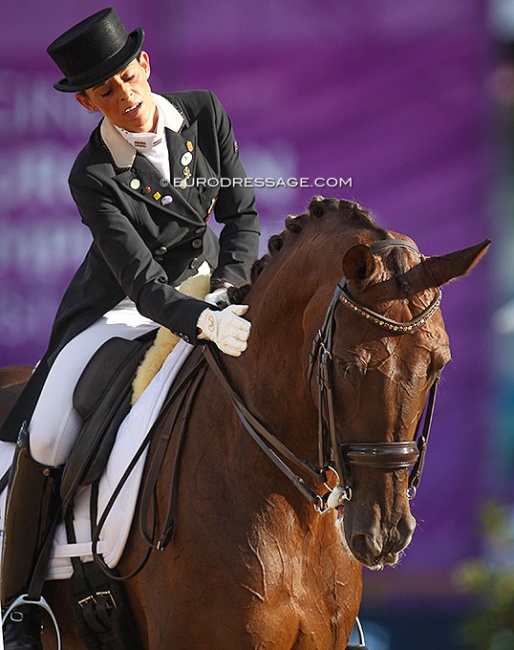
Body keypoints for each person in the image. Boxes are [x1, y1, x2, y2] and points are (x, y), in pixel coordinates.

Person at [0, 7, 260, 649]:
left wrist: (228, 287)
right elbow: (143, 286)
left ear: (144, 64)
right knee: (52, 429)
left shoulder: (203, 113)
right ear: (87, 101)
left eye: (126, 76)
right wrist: (202, 321)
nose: (124, 97)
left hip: (209, 289)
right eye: (105, 91)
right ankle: (20, 605)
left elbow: (243, 214)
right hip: (119, 309)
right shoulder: (92, 174)